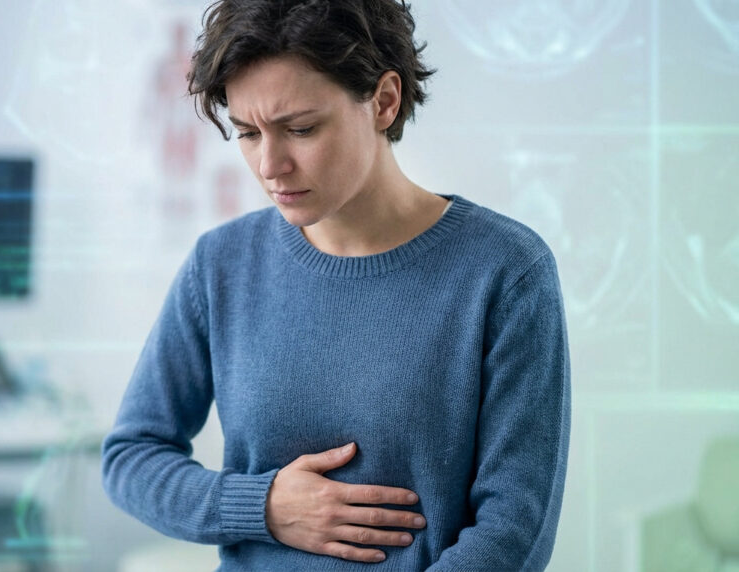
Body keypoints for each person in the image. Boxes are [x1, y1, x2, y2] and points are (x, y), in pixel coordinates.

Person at [102, 0, 571, 570]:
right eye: (247, 133)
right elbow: (132, 458)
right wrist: (262, 505)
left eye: (300, 129)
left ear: (384, 101)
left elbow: (513, 527)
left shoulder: (505, 271)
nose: (270, 164)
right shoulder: (220, 265)